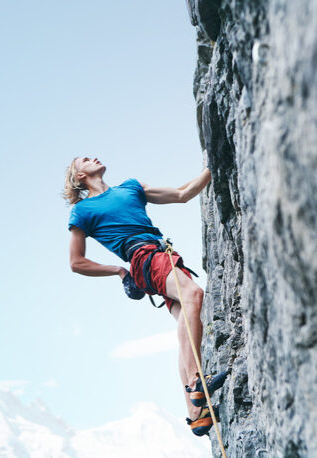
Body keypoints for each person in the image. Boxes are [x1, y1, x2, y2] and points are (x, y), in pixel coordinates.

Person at [63, 156, 226, 437]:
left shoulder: (131, 186)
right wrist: (118, 271)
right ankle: (196, 383)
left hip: (161, 254)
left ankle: (195, 413)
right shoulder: (83, 210)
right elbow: (76, 262)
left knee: (187, 321)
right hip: (143, 257)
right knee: (193, 295)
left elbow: (181, 194)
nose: (94, 157)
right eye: (85, 159)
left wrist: (214, 163)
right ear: (79, 176)